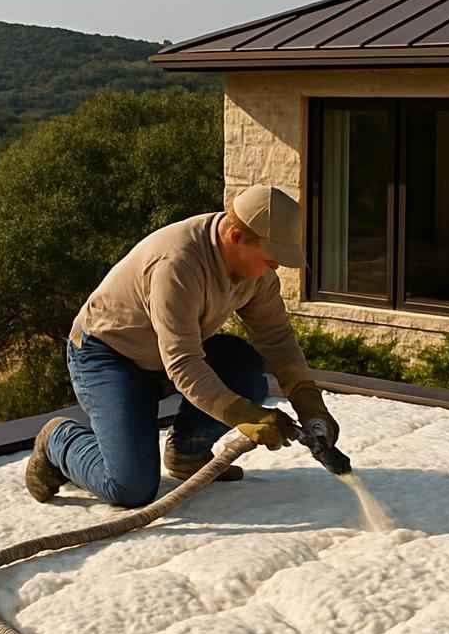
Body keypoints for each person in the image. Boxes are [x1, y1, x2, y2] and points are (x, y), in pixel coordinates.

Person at [23, 184, 339, 507]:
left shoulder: (256, 275)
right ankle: (58, 440)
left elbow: (278, 341)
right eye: (270, 260)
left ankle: (188, 453)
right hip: (108, 356)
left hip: (164, 355)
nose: (275, 269)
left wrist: (311, 407)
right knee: (130, 487)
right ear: (236, 237)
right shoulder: (178, 264)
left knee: (245, 370)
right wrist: (244, 414)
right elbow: (183, 363)